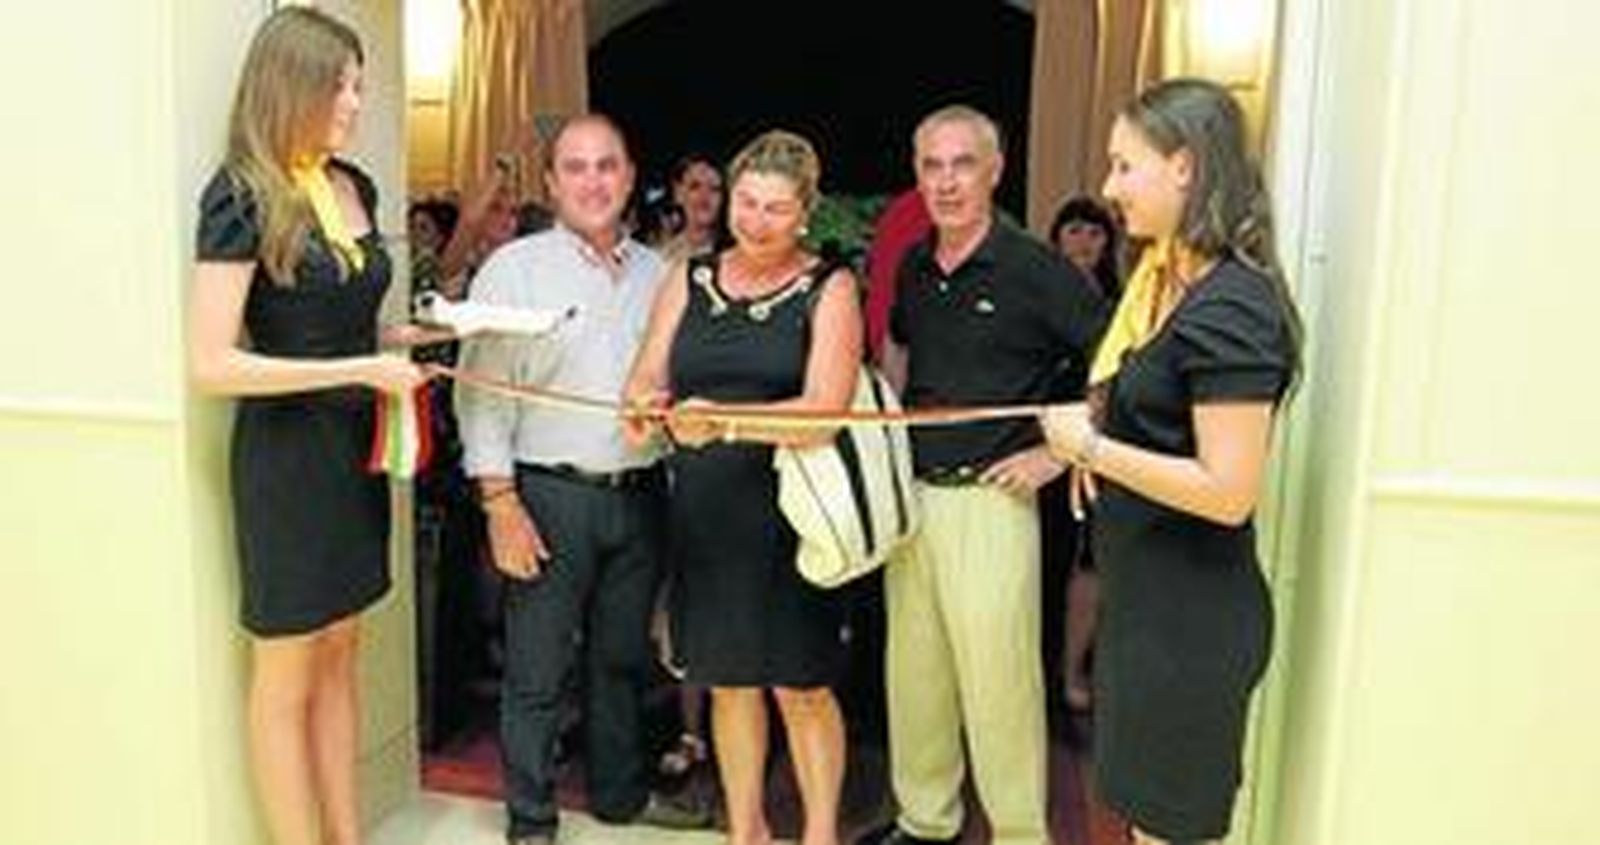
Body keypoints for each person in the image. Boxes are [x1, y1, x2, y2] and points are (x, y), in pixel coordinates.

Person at [1040, 78, 1303, 845]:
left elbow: (1229, 491)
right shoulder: (1171, 289)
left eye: (1125, 166)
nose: (1108, 186)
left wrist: (1090, 448)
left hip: (1188, 628)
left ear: (1184, 166)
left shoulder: (1234, 305)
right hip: (1147, 614)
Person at [187, 8, 427, 845]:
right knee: (286, 670)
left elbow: (342, 319)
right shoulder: (240, 194)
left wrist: (412, 337)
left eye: (360, 84)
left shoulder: (349, 183)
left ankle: (345, 834)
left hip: (353, 453)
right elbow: (213, 362)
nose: (357, 101)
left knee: (339, 654)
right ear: (292, 83)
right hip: (289, 460)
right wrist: (362, 369)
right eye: (343, 85)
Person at [454, 114, 707, 845]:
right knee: (536, 671)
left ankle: (620, 800)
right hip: (546, 495)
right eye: (575, 167)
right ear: (551, 182)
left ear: (629, 178)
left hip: (640, 496)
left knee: (622, 662)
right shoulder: (515, 269)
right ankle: (530, 820)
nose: (593, 181)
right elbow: (481, 395)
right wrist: (500, 504)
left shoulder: (663, 276)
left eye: (607, 166)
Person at [864, 106, 1108, 845]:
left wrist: (1058, 452)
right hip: (915, 498)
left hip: (994, 500)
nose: (946, 182)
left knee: (1000, 684)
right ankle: (925, 820)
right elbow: (900, 358)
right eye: (932, 165)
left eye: (962, 164)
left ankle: (1019, 831)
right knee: (916, 678)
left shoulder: (1039, 269)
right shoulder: (912, 264)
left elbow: (1123, 366)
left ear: (995, 171)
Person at [623, 129, 862, 845]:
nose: (756, 221)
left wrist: (722, 422)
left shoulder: (831, 286)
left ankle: (819, 834)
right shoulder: (689, 277)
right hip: (706, 515)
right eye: (747, 203)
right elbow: (646, 375)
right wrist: (642, 405)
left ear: (806, 214)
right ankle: (745, 829)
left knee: (802, 683)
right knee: (727, 680)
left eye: (776, 209)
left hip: (793, 516)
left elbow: (824, 412)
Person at [1042, 194, 1126, 722]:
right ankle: (1041, 670)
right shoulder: (1035, 291)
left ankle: (1073, 670)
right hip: (1041, 444)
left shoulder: (1122, 305)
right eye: (1074, 230)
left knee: (1091, 562)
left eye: (1095, 233)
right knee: (1045, 560)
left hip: (1103, 448)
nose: (1084, 241)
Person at [656, 152, 726, 264]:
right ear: (678, 194)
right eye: (695, 187)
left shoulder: (734, 254)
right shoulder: (658, 256)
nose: (704, 196)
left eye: (714, 189)